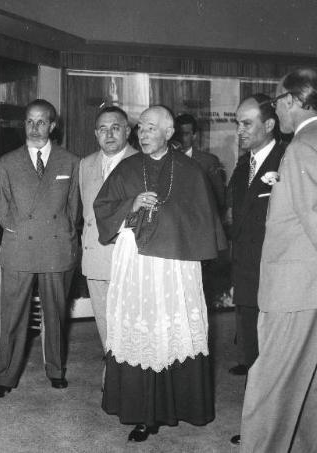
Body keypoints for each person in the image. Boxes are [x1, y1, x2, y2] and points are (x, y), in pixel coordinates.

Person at [94, 106, 225, 442]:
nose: (143, 134)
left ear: (169, 133)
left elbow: (200, 221)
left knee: (171, 329)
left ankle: (181, 405)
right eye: (141, 129)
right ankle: (144, 413)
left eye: (151, 128)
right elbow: (103, 208)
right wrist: (132, 205)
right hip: (136, 263)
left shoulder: (191, 170)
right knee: (144, 330)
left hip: (175, 266)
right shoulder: (127, 167)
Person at [240, 68, 317, 453]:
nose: (278, 112)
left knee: (270, 387)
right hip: (309, 287)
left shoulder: (302, 147)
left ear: (293, 101)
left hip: (292, 291)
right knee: (307, 387)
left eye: (279, 103)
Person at [0, 99, 80, 398]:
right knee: (13, 315)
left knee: (55, 313)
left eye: (42, 121)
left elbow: (73, 208)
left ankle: (55, 370)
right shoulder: (8, 161)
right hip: (20, 246)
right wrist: (18, 228)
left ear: (53, 125)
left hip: (56, 246)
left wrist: (62, 234)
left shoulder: (69, 161)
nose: (35, 127)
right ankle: (4, 377)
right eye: (30, 121)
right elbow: (1, 205)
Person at [228, 95, 286, 379]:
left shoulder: (287, 160)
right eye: (238, 123)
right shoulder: (243, 165)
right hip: (245, 265)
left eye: (247, 123)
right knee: (248, 329)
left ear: (270, 124)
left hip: (275, 268)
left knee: (276, 347)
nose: (240, 130)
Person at [79, 106, 137, 351]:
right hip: (95, 256)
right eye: (103, 129)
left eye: (115, 128)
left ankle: (130, 376)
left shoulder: (140, 162)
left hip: (129, 258)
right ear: (95, 133)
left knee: (131, 321)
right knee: (104, 320)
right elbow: (85, 211)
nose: (109, 134)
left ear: (127, 131)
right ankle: (111, 370)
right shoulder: (85, 164)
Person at [174, 113, 226, 214]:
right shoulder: (166, 159)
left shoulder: (208, 161)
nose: (180, 138)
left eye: (185, 134)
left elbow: (219, 198)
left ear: (194, 136)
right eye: (177, 134)